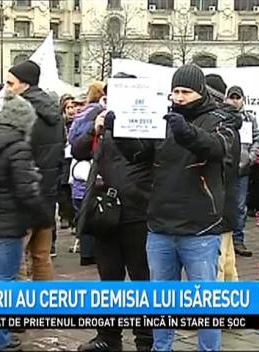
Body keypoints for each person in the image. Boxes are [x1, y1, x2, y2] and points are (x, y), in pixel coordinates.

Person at [114, 64, 235, 351]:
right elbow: (139, 154)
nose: (179, 97)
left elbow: (217, 148)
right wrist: (119, 133)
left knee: (204, 305)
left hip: (200, 228)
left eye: (186, 91)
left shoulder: (220, 119)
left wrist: (186, 132)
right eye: (176, 91)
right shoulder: (161, 117)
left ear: (200, 92)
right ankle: (161, 348)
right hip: (160, 226)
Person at [73, 73, 153, 352]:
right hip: (104, 210)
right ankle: (109, 336)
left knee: (141, 279)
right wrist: (93, 130)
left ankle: (145, 339)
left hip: (137, 211)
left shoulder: (149, 119)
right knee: (109, 278)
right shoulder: (102, 119)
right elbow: (77, 149)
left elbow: (145, 155)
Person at [0, 93, 49, 351]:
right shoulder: (17, 146)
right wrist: (43, 215)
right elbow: (25, 189)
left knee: (4, 277)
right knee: (6, 282)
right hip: (10, 221)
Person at [5, 60, 63, 281]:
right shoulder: (53, 111)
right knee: (41, 255)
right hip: (46, 192)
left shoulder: (19, 110)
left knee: (13, 255)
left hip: (22, 194)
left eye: (11, 83)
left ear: (25, 84)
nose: (7, 88)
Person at [205, 74, 243, 282]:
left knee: (218, 264)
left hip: (217, 201)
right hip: (225, 200)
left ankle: (217, 310)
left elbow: (222, 167)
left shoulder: (221, 126)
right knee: (227, 261)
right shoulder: (228, 123)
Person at [68, 81, 106, 265]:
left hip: (81, 175)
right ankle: (92, 253)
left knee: (85, 211)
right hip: (93, 172)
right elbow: (79, 147)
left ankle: (87, 252)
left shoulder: (81, 114)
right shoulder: (97, 114)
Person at [225, 86, 259, 257]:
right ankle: (223, 241)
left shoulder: (250, 118)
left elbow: (257, 139)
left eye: (237, 97)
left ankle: (238, 240)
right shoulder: (222, 117)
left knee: (240, 207)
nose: (234, 100)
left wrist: (251, 158)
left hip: (242, 170)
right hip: (224, 168)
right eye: (231, 97)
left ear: (243, 99)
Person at [58, 94, 76, 232]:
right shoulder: (60, 123)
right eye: (68, 107)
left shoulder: (79, 122)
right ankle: (65, 215)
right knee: (63, 187)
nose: (71, 110)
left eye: (73, 106)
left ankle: (73, 218)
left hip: (74, 158)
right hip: (64, 157)